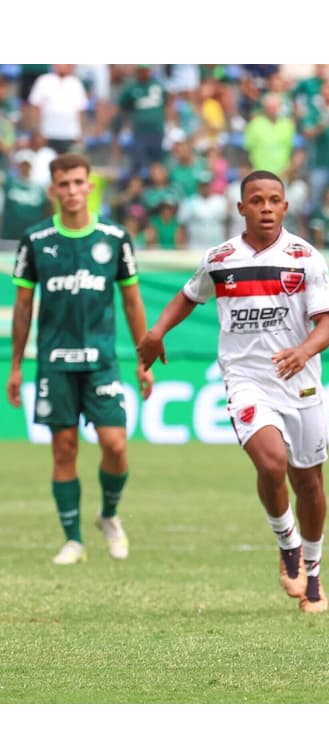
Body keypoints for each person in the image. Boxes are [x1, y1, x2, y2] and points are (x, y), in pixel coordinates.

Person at [136, 170, 329, 613]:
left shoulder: (306, 258)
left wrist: (304, 351)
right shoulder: (221, 258)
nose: (266, 208)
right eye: (257, 200)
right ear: (241, 208)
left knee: (309, 482)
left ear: (285, 207)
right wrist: (156, 332)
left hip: (300, 384)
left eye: (274, 200)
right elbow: (189, 295)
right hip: (246, 380)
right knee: (271, 462)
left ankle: (314, 574)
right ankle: (287, 543)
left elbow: (328, 325)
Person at [7, 152, 155, 564]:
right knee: (64, 449)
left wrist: (143, 359)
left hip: (101, 362)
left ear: (89, 186)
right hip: (54, 363)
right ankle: (73, 540)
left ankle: (108, 514)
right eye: (64, 184)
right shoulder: (36, 240)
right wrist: (16, 366)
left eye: (78, 182)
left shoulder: (114, 237)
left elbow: (132, 301)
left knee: (116, 446)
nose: (72, 191)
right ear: (53, 190)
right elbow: (23, 308)